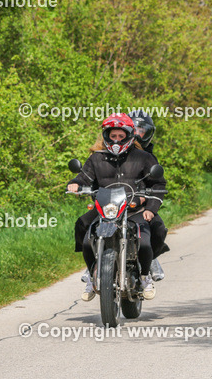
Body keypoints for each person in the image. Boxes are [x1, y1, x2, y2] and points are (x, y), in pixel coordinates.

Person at [67, 113, 166, 302]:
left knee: (147, 240)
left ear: (129, 136)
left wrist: (150, 208)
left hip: (134, 209)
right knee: (85, 235)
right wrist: (75, 184)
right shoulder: (97, 158)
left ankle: (145, 276)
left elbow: (158, 185)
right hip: (106, 209)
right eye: (113, 136)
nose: (116, 140)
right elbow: (84, 177)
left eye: (121, 136)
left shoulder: (143, 157)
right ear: (106, 136)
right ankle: (92, 272)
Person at [129, 109, 168, 281]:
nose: (137, 135)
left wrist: (151, 206)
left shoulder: (148, 156)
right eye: (134, 130)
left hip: (141, 204)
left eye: (141, 131)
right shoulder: (112, 153)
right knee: (86, 225)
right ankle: (93, 265)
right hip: (114, 204)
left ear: (148, 133)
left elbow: (158, 183)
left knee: (158, 229)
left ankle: (151, 257)